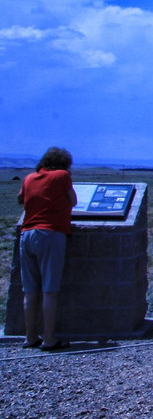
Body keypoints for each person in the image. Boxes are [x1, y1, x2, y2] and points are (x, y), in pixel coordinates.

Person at [17, 146, 77, 351]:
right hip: (50, 233)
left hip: (27, 233)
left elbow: (20, 199)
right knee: (49, 290)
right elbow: (74, 200)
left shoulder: (29, 178)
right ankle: (49, 339)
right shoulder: (62, 176)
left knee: (30, 290)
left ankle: (30, 337)